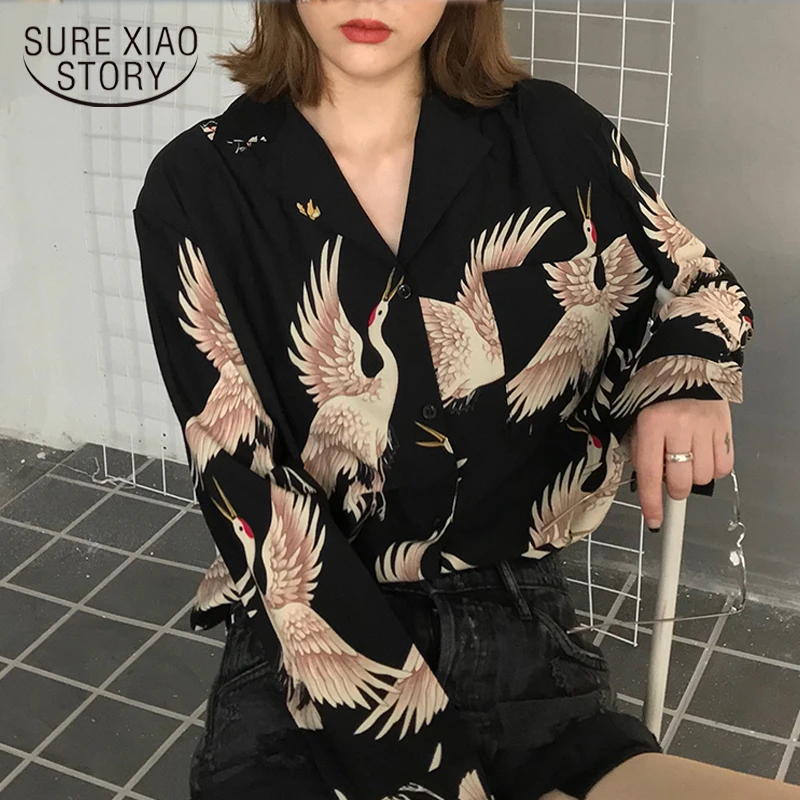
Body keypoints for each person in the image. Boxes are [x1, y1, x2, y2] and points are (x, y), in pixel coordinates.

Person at [132, 2, 783, 798]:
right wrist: (440, 778)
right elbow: (245, 483)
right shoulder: (199, 186)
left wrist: (688, 373)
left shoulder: (553, 136)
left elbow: (696, 281)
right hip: (312, 635)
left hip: (519, 620)